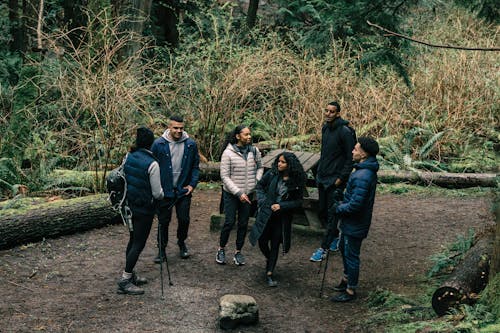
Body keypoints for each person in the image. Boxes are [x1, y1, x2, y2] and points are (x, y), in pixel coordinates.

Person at [330, 137, 379, 302]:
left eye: (356, 149)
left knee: (351, 255)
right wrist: (342, 198)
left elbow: (356, 205)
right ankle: (346, 280)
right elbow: (354, 198)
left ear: (364, 154)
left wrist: (338, 208)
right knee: (345, 251)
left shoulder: (363, 175)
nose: (352, 151)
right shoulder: (362, 170)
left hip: (355, 222)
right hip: (352, 221)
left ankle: (351, 290)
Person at [117, 126, 164, 295]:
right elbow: (157, 192)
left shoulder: (129, 156)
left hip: (130, 206)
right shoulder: (152, 163)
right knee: (138, 243)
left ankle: (129, 275)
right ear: (151, 143)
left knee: (133, 241)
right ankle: (125, 279)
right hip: (145, 209)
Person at [249, 152, 305, 287]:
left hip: (281, 219)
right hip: (266, 214)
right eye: (279, 161)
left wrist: (282, 206)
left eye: (283, 162)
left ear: (289, 165)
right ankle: (270, 259)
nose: (279, 164)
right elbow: (260, 186)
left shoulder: (296, 180)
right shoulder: (272, 174)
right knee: (262, 241)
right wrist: (263, 201)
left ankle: (269, 273)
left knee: (275, 244)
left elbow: (298, 202)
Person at [309, 101, 356, 262]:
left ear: (338, 113)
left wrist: (341, 178)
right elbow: (325, 153)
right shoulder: (325, 128)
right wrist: (319, 173)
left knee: (331, 214)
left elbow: (351, 158)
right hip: (323, 177)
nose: (328, 114)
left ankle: (323, 248)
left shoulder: (345, 131)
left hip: (335, 179)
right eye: (326, 110)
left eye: (332, 111)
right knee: (322, 211)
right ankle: (335, 237)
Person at [152, 115, 200, 262]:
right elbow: (151, 166)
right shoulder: (158, 144)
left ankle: (181, 242)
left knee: (184, 219)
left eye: (181, 128)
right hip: (165, 191)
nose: (179, 131)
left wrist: (192, 185)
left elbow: (195, 167)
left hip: (183, 191)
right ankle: (161, 250)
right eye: (176, 128)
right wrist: (156, 188)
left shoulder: (191, 144)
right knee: (163, 221)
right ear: (169, 128)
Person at [216, 125, 263, 266]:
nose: (249, 137)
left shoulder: (254, 151)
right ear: (238, 136)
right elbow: (224, 176)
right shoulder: (228, 153)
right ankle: (221, 249)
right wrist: (238, 192)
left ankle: (238, 251)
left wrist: (257, 181)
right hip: (231, 194)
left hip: (248, 194)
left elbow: (260, 167)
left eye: (250, 134)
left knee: (243, 223)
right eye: (246, 134)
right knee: (229, 222)